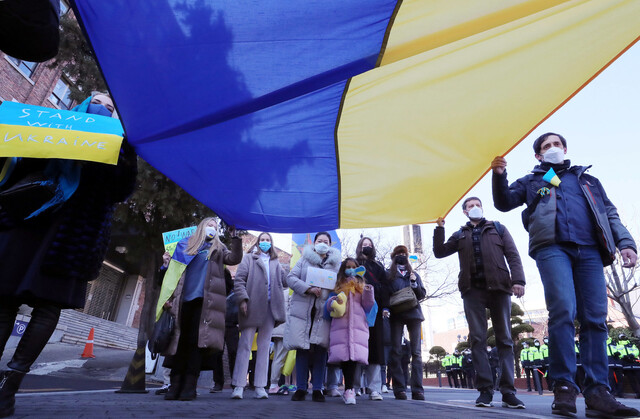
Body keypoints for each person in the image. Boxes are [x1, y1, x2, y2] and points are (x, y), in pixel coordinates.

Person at [0, 93, 137, 418]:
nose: (102, 106)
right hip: (30, 226)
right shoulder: (52, 128)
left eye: (109, 105)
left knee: (46, 310)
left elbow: (121, 189)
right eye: (97, 100)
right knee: (4, 304)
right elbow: (17, 165)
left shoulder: (119, 144)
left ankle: (9, 388)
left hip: (71, 238)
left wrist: (122, 151)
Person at [491, 132, 639, 417]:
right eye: (547, 146)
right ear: (538, 155)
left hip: (591, 251)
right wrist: (499, 175)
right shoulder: (533, 180)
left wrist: (626, 243)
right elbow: (504, 202)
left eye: (557, 144)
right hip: (552, 248)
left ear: (566, 148)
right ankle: (564, 388)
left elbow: (609, 213)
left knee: (596, 319)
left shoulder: (587, 180)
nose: (553, 148)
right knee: (563, 311)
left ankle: (598, 392)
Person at [433, 196, 525, 408]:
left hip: (500, 287)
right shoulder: (460, 234)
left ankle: (508, 391)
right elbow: (439, 253)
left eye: (477, 205)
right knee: (477, 339)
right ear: (465, 212)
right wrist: (439, 229)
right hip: (472, 290)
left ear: (482, 208)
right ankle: (485, 391)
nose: (474, 208)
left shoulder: (498, 228)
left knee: (504, 340)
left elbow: (512, 255)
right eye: (470, 206)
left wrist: (518, 280)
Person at [157, 218, 242, 401]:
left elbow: (234, 258)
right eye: (209, 225)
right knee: (180, 344)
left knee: (196, 344)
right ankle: (175, 384)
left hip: (205, 304)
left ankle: (189, 386)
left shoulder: (218, 249)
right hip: (181, 302)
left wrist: (235, 238)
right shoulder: (184, 245)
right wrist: (167, 295)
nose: (212, 228)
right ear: (201, 227)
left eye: (215, 227)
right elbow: (173, 274)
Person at [284, 232, 341, 402]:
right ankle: (301, 388)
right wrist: (308, 288)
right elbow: (290, 278)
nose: (322, 243)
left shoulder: (336, 264)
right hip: (303, 311)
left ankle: (318, 388)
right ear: (314, 243)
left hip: (323, 312)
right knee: (302, 349)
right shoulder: (304, 260)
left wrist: (331, 292)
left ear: (330, 245)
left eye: (326, 241)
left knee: (321, 350)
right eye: (319, 241)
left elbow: (339, 286)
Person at [231, 232, 287, 400]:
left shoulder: (276, 262)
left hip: (271, 308)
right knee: (245, 345)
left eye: (268, 240)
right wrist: (243, 300)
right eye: (262, 240)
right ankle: (238, 386)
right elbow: (239, 280)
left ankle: (260, 386)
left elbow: (285, 282)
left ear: (272, 243)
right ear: (257, 243)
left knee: (264, 347)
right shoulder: (249, 259)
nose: (265, 242)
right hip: (251, 306)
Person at [325, 258, 375, 405]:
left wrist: (368, 291)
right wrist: (332, 301)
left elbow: (368, 305)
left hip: (357, 327)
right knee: (344, 358)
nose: (350, 269)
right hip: (340, 326)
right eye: (348, 267)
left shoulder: (361, 286)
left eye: (353, 267)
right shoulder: (337, 285)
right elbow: (328, 306)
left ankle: (349, 389)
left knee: (353, 359)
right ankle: (343, 388)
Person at [386, 245, 426, 401]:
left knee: (416, 352)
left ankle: (417, 389)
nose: (401, 256)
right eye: (398, 254)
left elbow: (422, 294)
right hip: (396, 314)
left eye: (404, 254)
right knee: (396, 351)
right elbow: (386, 293)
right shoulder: (389, 275)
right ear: (394, 256)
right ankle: (399, 389)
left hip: (414, 314)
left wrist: (414, 283)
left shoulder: (413, 274)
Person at [355, 237, 388, 401]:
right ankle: (354, 387)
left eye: (369, 245)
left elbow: (386, 286)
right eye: (364, 245)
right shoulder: (353, 264)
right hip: (355, 311)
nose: (366, 247)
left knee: (374, 350)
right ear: (359, 247)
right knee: (355, 348)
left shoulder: (378, 266)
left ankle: (374, 388)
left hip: (375, 312)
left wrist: (385, 307)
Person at [618, 334, 640, 398]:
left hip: (634, 363)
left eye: (624, 337)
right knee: (631, 380)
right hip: (626, 364)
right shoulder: (618, 345)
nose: (623, 338)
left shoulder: (631, 345)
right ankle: (637, 393)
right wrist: (623, 356)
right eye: (622, 337)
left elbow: (636, 351)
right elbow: (617, 352)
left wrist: (632, 355)